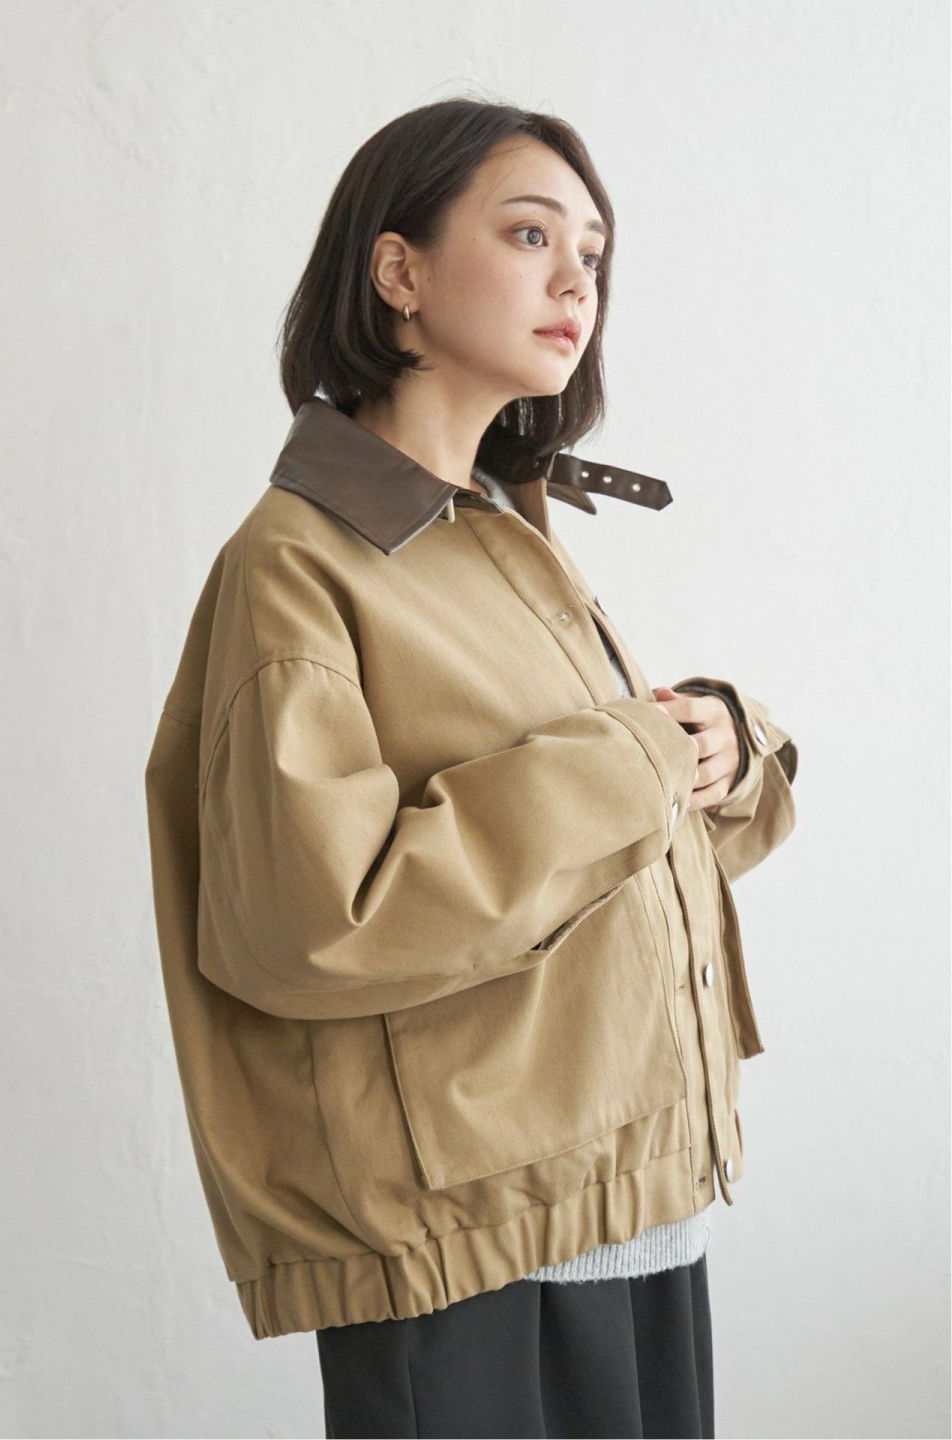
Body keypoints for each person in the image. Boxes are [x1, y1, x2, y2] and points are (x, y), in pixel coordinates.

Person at [143, 96, 798, 1438]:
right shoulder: (301, 564)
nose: (577, 282)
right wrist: (626, 762)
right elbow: (314, 922)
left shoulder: (507, 528)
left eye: (594, 253)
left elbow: (588, 861)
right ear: (399, 269)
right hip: (469, 1257)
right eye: (529, 235)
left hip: (636, 1209)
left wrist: (722, 752)